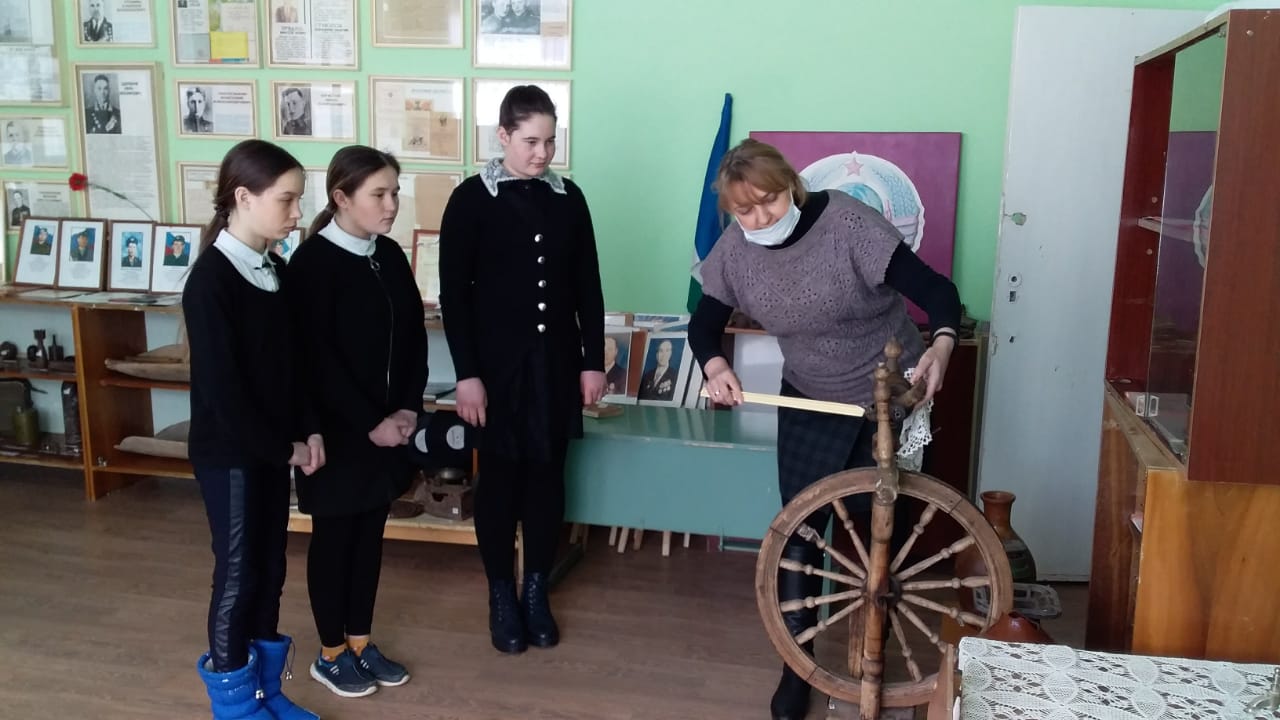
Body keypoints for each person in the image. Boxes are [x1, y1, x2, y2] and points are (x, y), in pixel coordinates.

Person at [687, 138, 961, 720]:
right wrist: (714, 365)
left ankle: (873, 649)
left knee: (880, 535)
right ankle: (797, 665)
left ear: (791, 185)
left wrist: (940, 345)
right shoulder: (735, 252)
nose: (760, 218)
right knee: (801, 531)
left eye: (768, 200)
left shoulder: (846, 224)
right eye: (744, 210)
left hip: (888, 392)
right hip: (810, 394)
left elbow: (937, 291)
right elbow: (704, 324)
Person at [439, 84, 605, 655]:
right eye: (531, 141)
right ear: (503, 135)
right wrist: (466, 374)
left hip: (555, 365)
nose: (543, 153)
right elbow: (454, 296)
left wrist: (591, 362)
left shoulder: (569, 198)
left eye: (550, 141)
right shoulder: (470, 199)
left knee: (547, 477)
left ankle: (536, 590)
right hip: (494, 370)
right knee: (499, 480)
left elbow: (588, 286)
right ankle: (500, 595)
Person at [183, 138, 323, 720]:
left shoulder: (275, 270)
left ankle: (267, 694)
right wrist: (284, 448)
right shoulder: (210, 282)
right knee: (238, 575)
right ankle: (235, 708)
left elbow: (296, 368)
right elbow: (225, 395)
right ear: (243, 197)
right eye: (286, 200)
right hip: (232, 455)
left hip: (272, 452)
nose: (297, 214)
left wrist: (309, 432)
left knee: (271, 570)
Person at [286, 145, 427, 699]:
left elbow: (412, 339)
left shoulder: (387, 254)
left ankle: (361, 643)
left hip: (388, 430)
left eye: (395, 192)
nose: (392, 204)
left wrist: (408, 407)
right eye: (379, 194)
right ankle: (330, 654)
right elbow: (317, 362)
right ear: (341, 198)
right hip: (336, 434)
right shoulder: (311, 265)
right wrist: (371, 421)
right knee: (335, 540)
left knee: (370, 538)